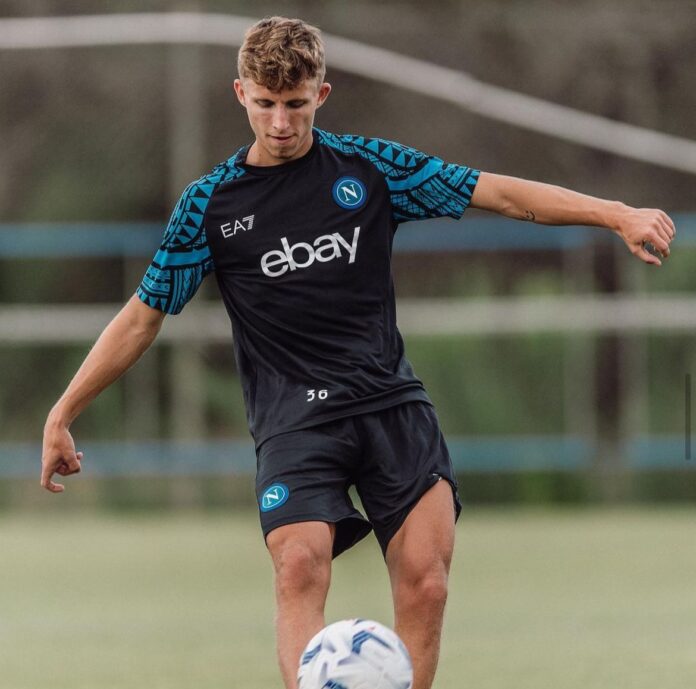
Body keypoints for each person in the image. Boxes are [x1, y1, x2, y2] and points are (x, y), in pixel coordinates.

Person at [41, 16, 675, 689]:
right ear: (240, 93)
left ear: (321, 93)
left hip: (390, 405)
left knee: (427, 583)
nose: (280, 122)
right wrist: (63, 412)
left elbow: (501, 195)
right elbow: (142, 318)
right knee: (299, 566)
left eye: (295, 103)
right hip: (295, 422)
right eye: (265, 102)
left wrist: (617, 213)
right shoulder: (210, 205)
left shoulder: (371, 169)